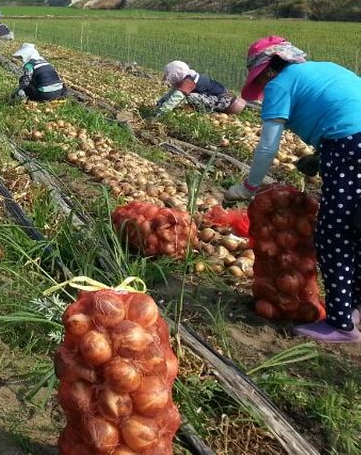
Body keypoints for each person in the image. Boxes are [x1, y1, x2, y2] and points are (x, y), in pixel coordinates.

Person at [224, 36, 361, 343]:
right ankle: (355, 308)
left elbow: (268, 145)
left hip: (348, 146)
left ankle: (341, 325)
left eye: (261, 78)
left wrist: (248, 187)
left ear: (269, 70)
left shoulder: (279, 83)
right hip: (352, 144)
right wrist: (318, 157)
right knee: (358, 225)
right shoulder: (326, 68)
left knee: (334, 234)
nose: (264, 83)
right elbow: (347, 108)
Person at [155, 60, 246, 116]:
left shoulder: (188, 82)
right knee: (188, 96)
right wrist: (161, 101)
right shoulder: (188, 76)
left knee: (189, 97)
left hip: (226, 102)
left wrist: (161, 112)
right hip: (225, 98)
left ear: (176, 75)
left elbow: (176, 98)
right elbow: (172, 91)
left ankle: (208, 112)